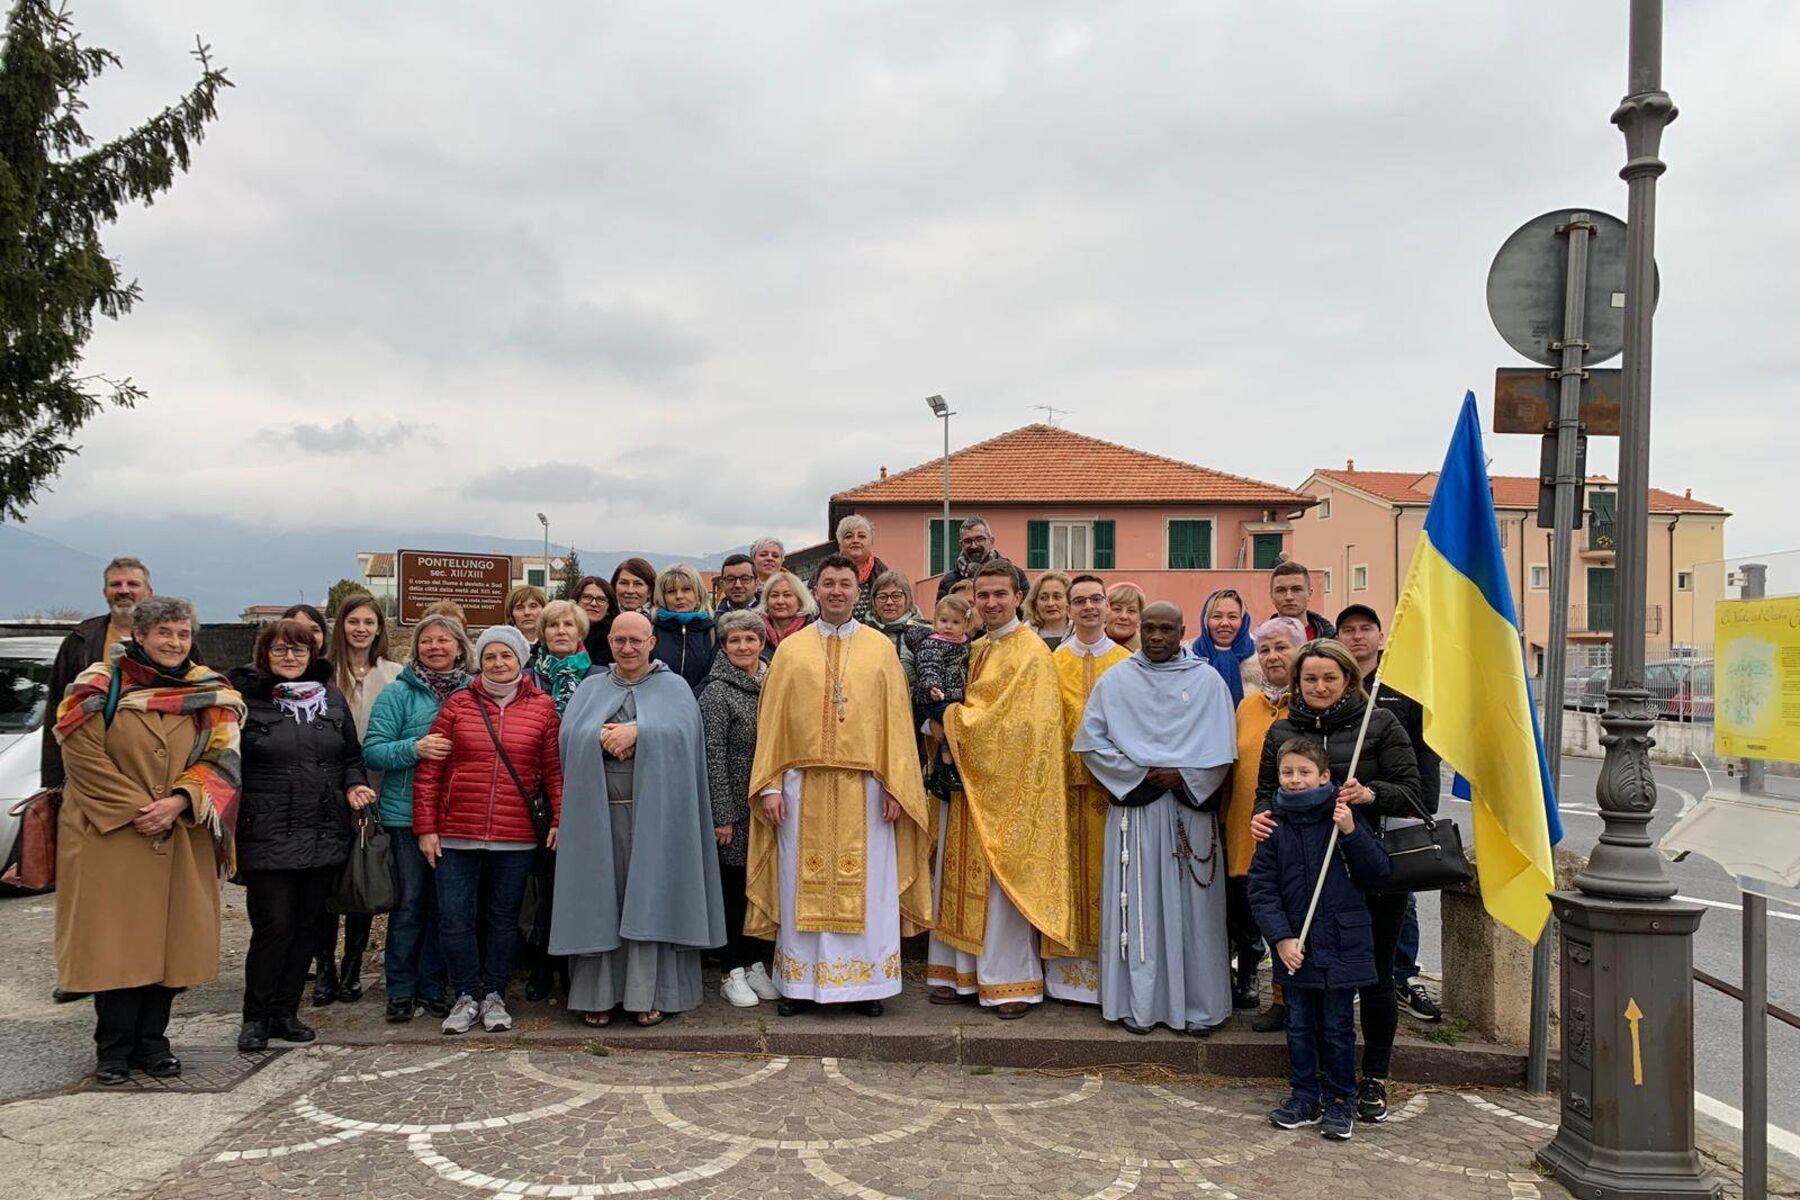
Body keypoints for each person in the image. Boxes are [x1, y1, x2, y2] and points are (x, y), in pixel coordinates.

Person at [53, 596, 244, 1084]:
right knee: (116, 946)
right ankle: (113, 1049)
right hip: (110, 837)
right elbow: (82, 757)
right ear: (139, 635)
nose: (173, 643)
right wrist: (138, 811)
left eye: (181, 634)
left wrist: (180, 800)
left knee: (170, 948)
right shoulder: (96, 687)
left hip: (180, 832)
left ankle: (155, 1043)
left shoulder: (210, 695)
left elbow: (224, 757)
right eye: (163, 633)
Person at [747, 555, 934, 1017]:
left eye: (845, 584)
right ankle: (799, 984)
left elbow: (896, 724)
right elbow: (770, 723)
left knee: (869, 888)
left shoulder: (879, 649)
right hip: (799, 787)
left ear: (858, 591)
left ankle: (866, 985)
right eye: (828, 583)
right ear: (816, 590)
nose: (836, 591)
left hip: (868, 790)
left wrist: (898, 787)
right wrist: (769, 785)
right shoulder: (791, 650)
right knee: (797, 883)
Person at [1252, 638, 1420, 1123]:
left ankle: (1371, 1079)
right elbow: (1266, 791)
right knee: (1309, 997)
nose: (1320, 686)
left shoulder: (1380, 722)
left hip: (1368, 874)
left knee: (1375, 979)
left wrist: (1369, 793)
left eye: (1330, 677)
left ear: (1349, 678)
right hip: (1301, 879)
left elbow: (1414, 794)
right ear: (1297, 682)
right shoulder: (1283, 729)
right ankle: (1310, 1089)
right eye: (1310, 678)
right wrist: (1261, 817)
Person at [551, 612, 725, 1027]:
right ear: (608, 642)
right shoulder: (592, 687)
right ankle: (598, 994)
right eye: (619, 640)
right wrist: (600, 735)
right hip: (599, 819)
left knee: (649, 897)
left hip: (656, 820)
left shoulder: (674, 687)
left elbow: (685, 736)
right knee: (600, 900)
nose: (627, 648)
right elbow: (568, 736)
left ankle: (650, 992)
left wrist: (640, 731)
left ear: (652, 643)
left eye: (635, 640)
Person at [1073, 601, 1236, 1036]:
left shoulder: (1206, 682)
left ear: (1183, 629)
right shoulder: (1117, 680)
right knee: (1138, 909)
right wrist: (1145, 775)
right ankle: (1137, 1005)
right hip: (1137, 815)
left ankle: (1199, 1006)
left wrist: (1181, 775)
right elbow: (1091, 744)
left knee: (1195, 913)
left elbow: (1223, 748)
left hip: (1188, 814)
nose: (1157, 636)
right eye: (1150, 628)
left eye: (1167, 628)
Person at [928, 561, 1074, 1018]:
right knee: (957, 877)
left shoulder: (1029, 652)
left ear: (1017, 597)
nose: (990, 602)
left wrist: (949, 721)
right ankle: (959, 973)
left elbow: (1016, 726)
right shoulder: (978, 648)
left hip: (1009, 791)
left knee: (999, 890)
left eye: (999, 595)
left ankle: (1010, 983)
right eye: (983, 595)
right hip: (971, 784)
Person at [231, 620, 376, 1051]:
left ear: (312, 655)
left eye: (298, 651)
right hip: (268, 833)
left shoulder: (329, 699)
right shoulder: (247, 702)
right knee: (274, 926)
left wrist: (353, 784)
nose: (290, 658)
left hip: (323, 830)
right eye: (280, 650)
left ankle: (286, 1012)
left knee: (308, 927)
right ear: (265, 655)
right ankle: (255, 1016)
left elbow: (351, 755)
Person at [413, 626, 563, 1036]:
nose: (499, 663)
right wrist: (426, 827)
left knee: (504, 919)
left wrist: (558, 819)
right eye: (491, 656)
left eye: (507, 656)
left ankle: (494, 993)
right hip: (457, 832)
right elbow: (430, 772)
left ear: (520, 660)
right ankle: (466, 993)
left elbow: (553, 772)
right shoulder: (457, 705)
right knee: (455, 918)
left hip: (514, 836)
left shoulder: (543, 708)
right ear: (480, 660)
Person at [1251, 736, 1391, 1142]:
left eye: (1304, 772)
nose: (1295, 780)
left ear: (1324, 776)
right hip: (1296, 947)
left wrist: (1350, 831)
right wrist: (1279, 939)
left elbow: (1378, 873)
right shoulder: (1273, 825)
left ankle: (1340, 1098)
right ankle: (1304, 1095)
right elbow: (1262, 889)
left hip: (1343, 943)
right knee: (1298, 1025)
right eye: (1287, 773)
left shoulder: (1343, 818)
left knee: (1337, 1026)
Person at [1335, 603, 1445, 1025]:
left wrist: (1422, 802)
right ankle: (1360, 975)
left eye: (1365, 628)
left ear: (1381, 637)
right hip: (1350, 807)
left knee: (1401, 895)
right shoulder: (1335, 683)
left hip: (1397, 804)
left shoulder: (1402, 686)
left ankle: (1401, 976)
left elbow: (1424, 748)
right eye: (1348, 629)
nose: (1357, 636)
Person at [363, 613, 471, 1023]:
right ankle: (401, 988)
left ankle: (433, 984)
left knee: (448, 907)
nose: (435, 647)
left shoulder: (473, 691)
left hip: (459, 815)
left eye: (444, 640)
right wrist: (415, 747)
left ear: (460, 647)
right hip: (406, 814)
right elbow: (373, 751)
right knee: (410, 904)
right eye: (427, 641)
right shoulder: (399, 694)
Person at [1041, 574, 1130, 1005]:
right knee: (1067, 875)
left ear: (1108, 608)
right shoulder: (1051, 661)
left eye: (1097, 600)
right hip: (1061, 788)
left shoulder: (1127, 663)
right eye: (1081, 601)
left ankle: (1111, 973)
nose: (1090, 607)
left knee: (1113, 876)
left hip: (1112, 790)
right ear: (1069, 609)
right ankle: (1063, 975)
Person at [314, 593, 404, 1007]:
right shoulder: (322, 674)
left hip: (376, 787)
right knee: (328, 880)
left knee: (363, 876)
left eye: (369, 622)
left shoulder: (394, 674)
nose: (361, 629)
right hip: (327, 787)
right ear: (342, 626)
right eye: (354, 621)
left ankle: (352, 967)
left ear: (379, 628)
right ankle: (324, 969)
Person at [697, 610, 780, 1008]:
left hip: (770, 806)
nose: (744, 647)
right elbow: (711, 753)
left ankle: (754, 963)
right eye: (735, 641)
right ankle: (731, 969)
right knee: (733, 890)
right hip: (735, 808)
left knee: (760, 888)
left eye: (751, 639)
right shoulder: (716, 691)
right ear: (724, 646)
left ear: (762, 643)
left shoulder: (774, 683)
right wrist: (722, 814)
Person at [1228, 616, 1307, 1032]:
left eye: (1281, 647)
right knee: (1247, 912)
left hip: (1293, 833)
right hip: (1245, 826)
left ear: (1300, 650)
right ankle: (1251, 981)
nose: (1273, 657)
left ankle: (1287, 998)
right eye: (1265, 650)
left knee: (1290, 914)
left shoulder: (1311, 703)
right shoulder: (1247, 705)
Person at [524, 600, 597, 1001]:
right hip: (536, 793)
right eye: (552, 626)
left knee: (578, 883)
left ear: (581, 632)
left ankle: (574, 968)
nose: (561, 631)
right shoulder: (529, 678)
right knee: (543, 885)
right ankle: (541, 965)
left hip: (584, 789)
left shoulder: (599, 677)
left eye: (568, 624)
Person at [915, 595, 973, 801]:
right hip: (936, 698)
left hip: (954, 697)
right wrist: (934, 686)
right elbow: (929, 666)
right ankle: (944, 770)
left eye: (955, 622)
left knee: (954, 730)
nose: (948, 627)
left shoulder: (966, 644)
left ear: (966, 624)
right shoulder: (934, 643)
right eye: (943, 621)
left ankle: (939, 774)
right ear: (935, 620)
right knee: (954, 726)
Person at [650, 563, 717, 690]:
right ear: (662, 597)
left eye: (686, 589)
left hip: (700, 704)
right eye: (671, 591)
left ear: (698, 595)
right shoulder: (651, 630)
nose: (679, 596)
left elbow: (714, 675)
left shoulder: (713, 631)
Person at [1191, 588, 1261, 708]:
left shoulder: (1261, 659)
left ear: (1243, 621)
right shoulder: (1190, 661)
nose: (1224, 623)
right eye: (1217, 617)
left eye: (1232, 617)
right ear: (1206, 621)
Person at [934, 517, 1027, 605]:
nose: (974, 545)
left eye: (980, 539)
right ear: (961, 545)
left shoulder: (1016, 575)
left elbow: (1026, 614)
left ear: (991, 541)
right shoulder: (947, 581)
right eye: (967, 541)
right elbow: (943, 616)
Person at [865, 569, 930, 689]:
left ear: (908, 599)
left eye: (896, 596)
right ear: (873, 601)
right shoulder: (863, 635)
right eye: (882, 596)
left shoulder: (924, 635)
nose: (889, 602)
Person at [821, 514, 888, 622]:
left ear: (871, 542)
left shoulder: (884, 575)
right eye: (848, 536)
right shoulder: (823, 573)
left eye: (861, 536)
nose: (855, 540)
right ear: (840, 544)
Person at [1269, 561, 1336, 640]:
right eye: (1280, 590)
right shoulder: (1260, 643)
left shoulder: (1334, 642)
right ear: (1271, 596)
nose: (1289, 597)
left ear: (1309, 593)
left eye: (1297, 589)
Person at [758, 570, 816, 656]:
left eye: (787, 595)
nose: (780, 601)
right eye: (774, 595)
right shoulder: (755, 632)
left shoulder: (815, 631)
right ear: (766, 600)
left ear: (800, 600)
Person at [1025, 571, 1074, 649]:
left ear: (1069, 601)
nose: (1050, 604)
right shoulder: (1023, 635)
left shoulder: (1081, 633)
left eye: (1057, 597)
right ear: (1035, 603)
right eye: (1043, 598)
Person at [573, 575, 616, 664]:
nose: (593, 603)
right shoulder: (562, 631)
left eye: (601, 599)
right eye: (587, 597)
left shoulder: (614, 639)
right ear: (576, 601)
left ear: (609, 608)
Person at [505, 584, 548, 671]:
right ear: (511, 614)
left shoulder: (553, 644)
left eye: (533, 606)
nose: (527, 612)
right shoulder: (502, 644)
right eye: (519, 608)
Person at [1104, 582, 1146, 652]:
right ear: (1104, 612)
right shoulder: (1087, 646)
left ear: (1140, 617)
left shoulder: (1148, 653)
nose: (1124, 616)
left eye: (1131, 611)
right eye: (1117, 609)